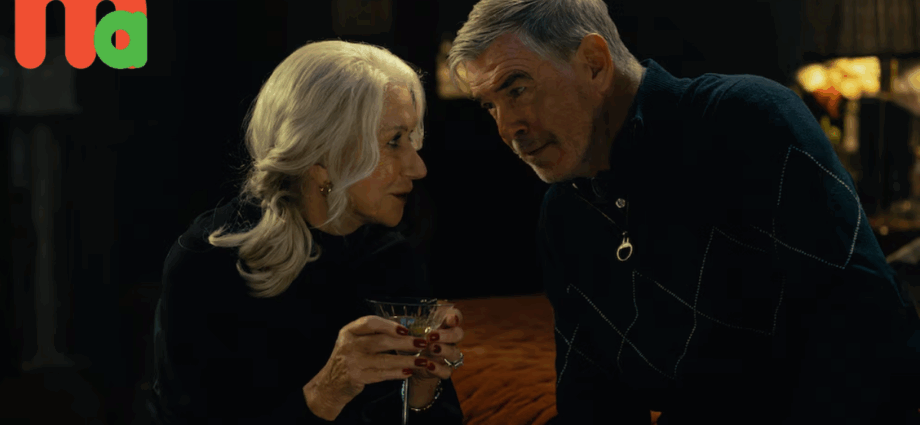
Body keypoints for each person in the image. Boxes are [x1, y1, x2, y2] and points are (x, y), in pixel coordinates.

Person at [447, 1, 920, 424]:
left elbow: (866, 327)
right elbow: (591, 399)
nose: (507, 128)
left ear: (594, 63)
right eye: (490, 106)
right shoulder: (565, 213)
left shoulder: (745, 119)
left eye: (517, 89)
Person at [147, 40, 465, 424]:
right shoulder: (207, 263)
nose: (418, 168)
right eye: (394, 142)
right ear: (322, 160)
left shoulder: (391, 258)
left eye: (411, 139)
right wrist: (327, 392)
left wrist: (422, 389)